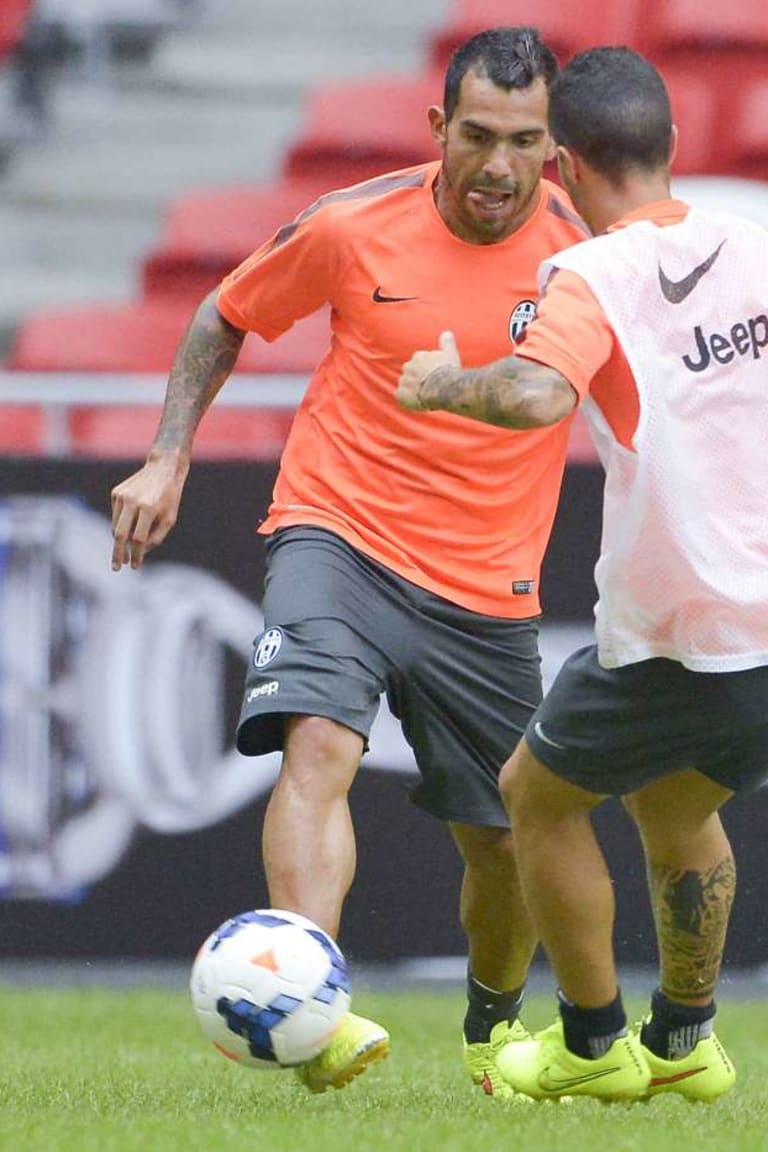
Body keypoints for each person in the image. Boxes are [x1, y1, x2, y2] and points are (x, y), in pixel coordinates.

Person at [110, 27, 588, 1096]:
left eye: (523, 142)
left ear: (555, 149)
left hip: (487, 584)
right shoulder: (351, 224)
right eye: (476, 136)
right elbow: (223, 315)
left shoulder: (582, 249)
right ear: (438, 130)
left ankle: (492, 1027)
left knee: (502, 842)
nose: (498, 166)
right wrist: (166, 456)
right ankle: (311, 1015)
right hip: (339, 532)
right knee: (317, 744)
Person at [397, 44, 768, 1103]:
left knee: (536, 797)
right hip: (762, 629)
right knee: (672, 806)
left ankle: (595, 1045)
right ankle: (688, 1037)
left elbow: (530, 398)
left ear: (559, 166)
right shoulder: (752, 243)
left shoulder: (590, 275)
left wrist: (441, 384)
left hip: (680, 626)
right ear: (674, 146)